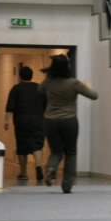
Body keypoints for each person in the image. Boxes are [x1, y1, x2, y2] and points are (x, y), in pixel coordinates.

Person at [40, 54, 98, 193]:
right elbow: (94, 96)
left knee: (56, 151)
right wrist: (89, 86)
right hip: (69, 120)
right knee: (71, 152)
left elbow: (39, 90)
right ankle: (66, 186)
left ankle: (51, 169)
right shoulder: (74, 83)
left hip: (51, 121)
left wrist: (48, 79)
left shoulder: (48, 82)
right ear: (67, 67)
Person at [4, 66, 46, 181]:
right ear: (31, 76)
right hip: (38, 119)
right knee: (37, 144)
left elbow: (10, 107)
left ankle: (23, 173)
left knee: (22, 146)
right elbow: (46, 106)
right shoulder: (40, 88)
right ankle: (38, 165)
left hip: (22, 120)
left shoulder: (16, 89)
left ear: (20, 76)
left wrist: (6, 120)